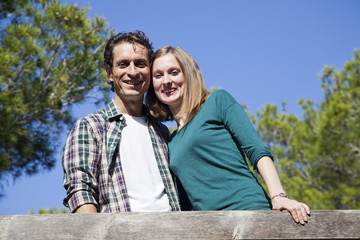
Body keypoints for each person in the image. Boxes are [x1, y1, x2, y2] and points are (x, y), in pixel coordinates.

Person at [146, 46, 310, 224]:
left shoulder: (217, 102)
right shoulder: (171, 142)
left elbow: (256, 150)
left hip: (249, 212)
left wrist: (278, 196)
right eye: (158, 75)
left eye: (174, 72)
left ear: (188, 74)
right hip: (209, 226)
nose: (166, 81)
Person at [62, 31, 180, 213]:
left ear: (149, 71)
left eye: (140, 64)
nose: (132, 72)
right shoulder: (91, 127)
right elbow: (80, 190)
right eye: (123, 64)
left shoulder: (162, 132)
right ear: (110, 73)